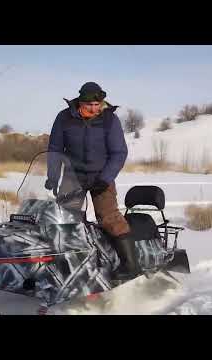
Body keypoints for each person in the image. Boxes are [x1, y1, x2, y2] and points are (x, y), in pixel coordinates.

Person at [45, 82, 142, 281]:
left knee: (109, 218)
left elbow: (119, 152)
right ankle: (67, 264)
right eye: (90, 105)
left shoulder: (109, 120)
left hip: (101, 175)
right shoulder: (64, 118)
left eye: (98, 104)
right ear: (80, 102)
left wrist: (105, 178)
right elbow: (55, 149)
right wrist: (53, 176)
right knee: (65, 220)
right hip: (73, 177)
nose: (95, 108)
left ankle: (130, 265)